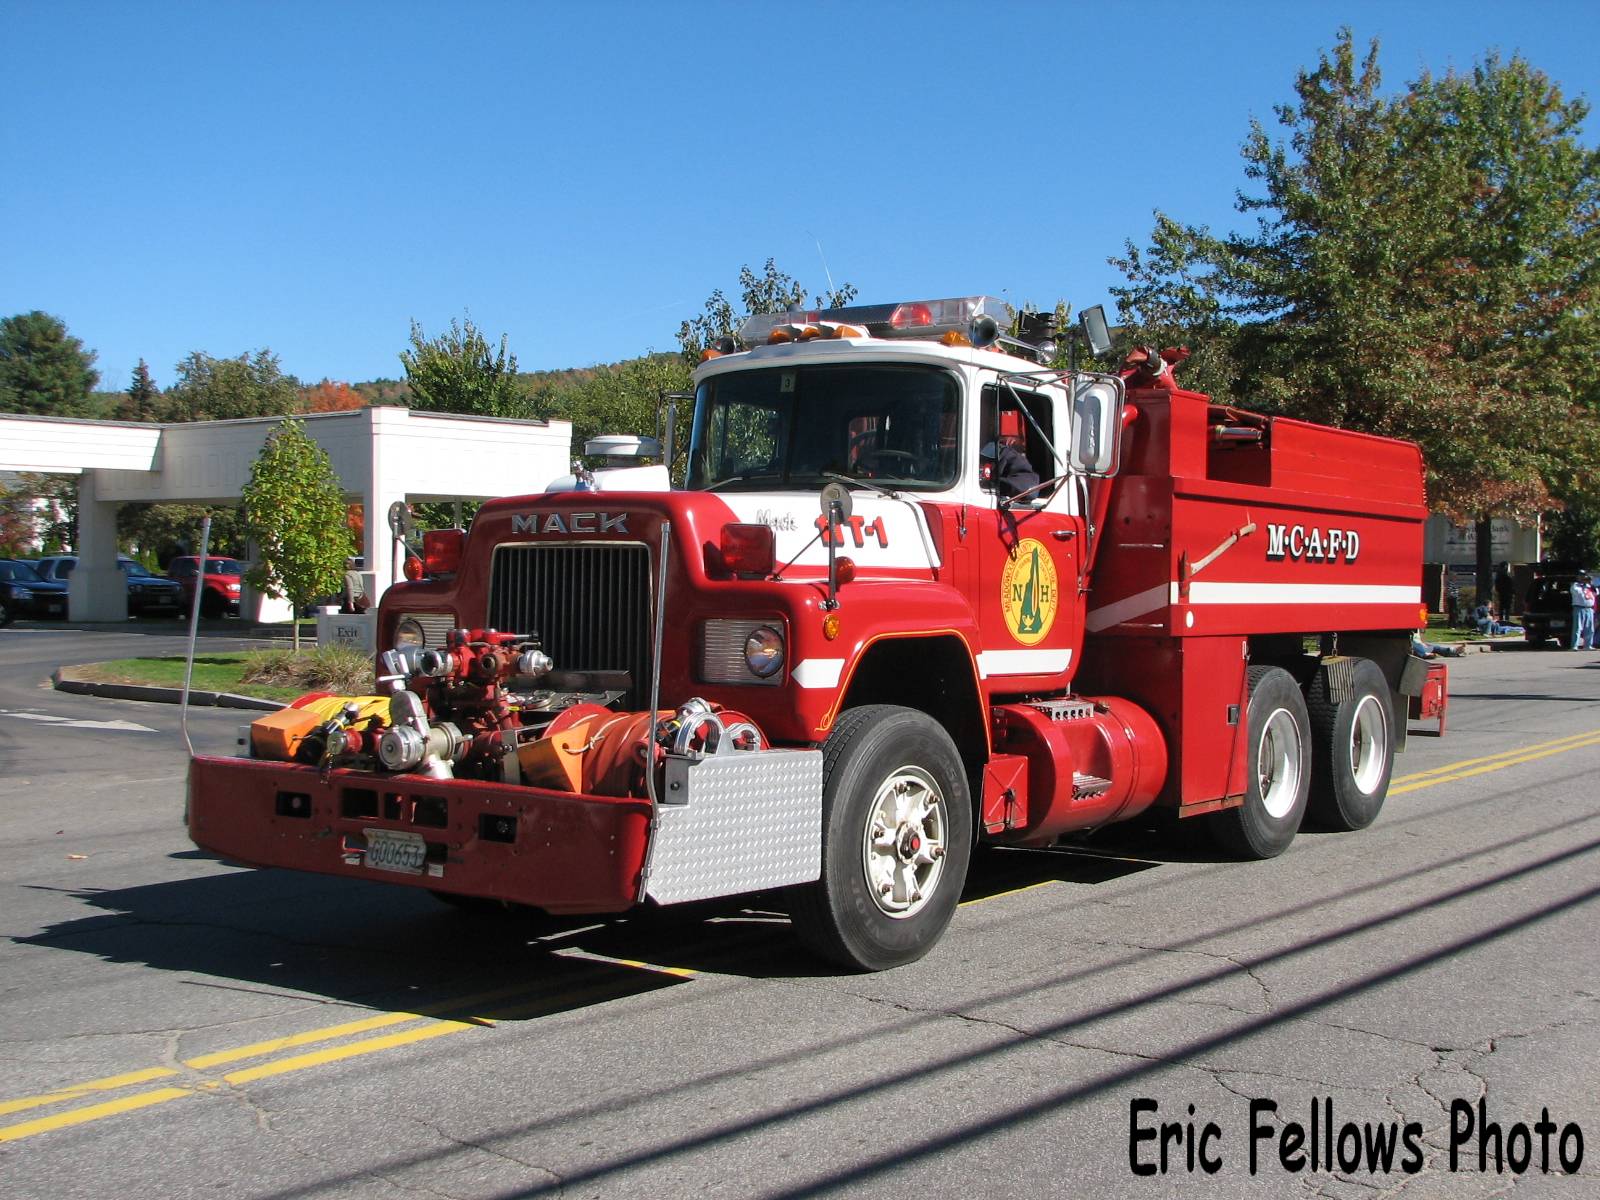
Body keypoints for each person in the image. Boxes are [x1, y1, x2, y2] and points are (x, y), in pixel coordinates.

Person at [1570, 576, 1595, 650]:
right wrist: (1582, 585)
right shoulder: (1575, 585)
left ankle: (1588, 645)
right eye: (1584, 579)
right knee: (1578, 628)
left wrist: (1591, 584)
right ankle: (1574, 645)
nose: (1586, 581)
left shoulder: (1589, 586)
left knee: (1590, 628)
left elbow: (1595, 593)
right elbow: (1577, 592)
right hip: (1579, 608)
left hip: (1589, 608)